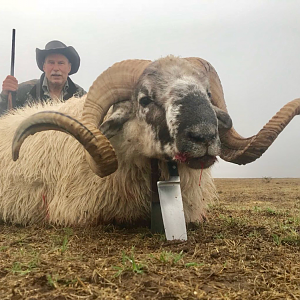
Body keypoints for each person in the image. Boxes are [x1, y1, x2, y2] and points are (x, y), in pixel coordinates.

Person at [0, 40, 86, 116]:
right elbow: (4, 121)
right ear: (44, 66)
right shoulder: (24, 91)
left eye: (61, 63)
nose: (56, 68)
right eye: (51, 62)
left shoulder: (81, 96)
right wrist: (4, 96)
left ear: (69, 68)